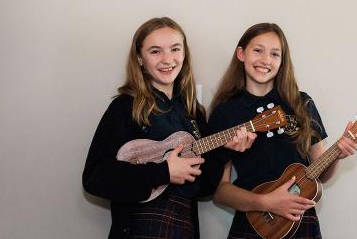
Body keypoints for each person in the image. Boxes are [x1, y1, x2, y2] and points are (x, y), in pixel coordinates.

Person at [83, 17, 256, 239]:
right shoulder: (126, 107)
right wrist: (164, 172)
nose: (168, 59)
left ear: (184, 54)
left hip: (183, 228)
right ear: (140, 58)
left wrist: (225, 150)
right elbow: (95, 178)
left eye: (175, 49)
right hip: (139, 229)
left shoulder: (195, 114)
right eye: (155, 51)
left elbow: (205, 189)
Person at [206, 23, 357, 239]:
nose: (265, 60)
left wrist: (338, 154)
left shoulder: (301, 103)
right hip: (253, 222)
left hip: (300, 221)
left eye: (275, 54)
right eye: (258, 50)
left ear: (282, 61)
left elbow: (322, 176)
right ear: (241, 54)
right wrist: (263, 202)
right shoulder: (225, 112)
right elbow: (220, 192)